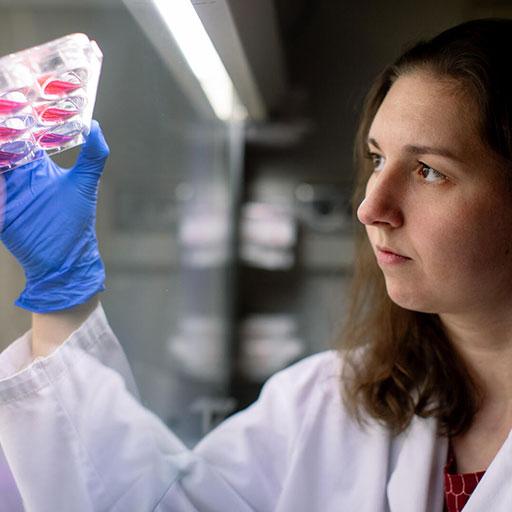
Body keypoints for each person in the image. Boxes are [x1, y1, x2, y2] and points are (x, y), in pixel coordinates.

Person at [1, 17, 511, 512]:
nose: (370, 208)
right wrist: (62, 285)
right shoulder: (325, 404)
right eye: (377, 159)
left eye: (428, 171)